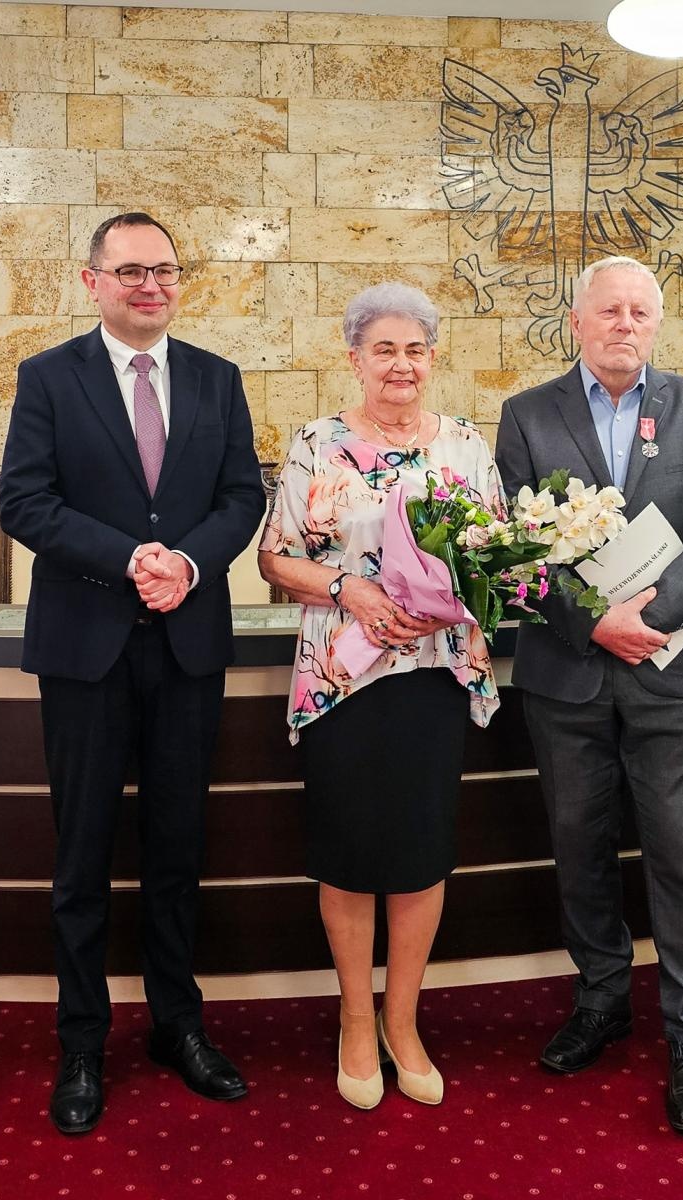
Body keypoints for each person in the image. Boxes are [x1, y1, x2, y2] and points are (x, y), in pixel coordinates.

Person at [0, 212, 266, 1135]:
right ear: (92, 282)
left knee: (177, 846)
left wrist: (186, 565)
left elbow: (243, 497)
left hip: (187, 641)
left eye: (164, 271)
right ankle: (80, 1042)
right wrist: (134, 559)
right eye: (129, 271)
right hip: (85, 643)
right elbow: (24, 501)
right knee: (80, 853)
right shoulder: (48, 378)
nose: (149, 285)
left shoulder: (216, 379)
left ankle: (176, 1026)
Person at [494, 256, 683, 1135]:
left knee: (682, 853)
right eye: (609, 311)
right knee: (579, 844)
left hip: (672, 669)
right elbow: (511, 546)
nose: (624, 325)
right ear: (576, 320)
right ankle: (601, 999)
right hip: (567, 673)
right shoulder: (526, 415)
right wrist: (591, 622)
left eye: (640, 312)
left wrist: (656, 610)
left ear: (658, 322)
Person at [258, 283, 502, 1110]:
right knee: (348, 853)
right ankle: (355, 1022)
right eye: (384, 350)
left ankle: (405, 1022)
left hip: (431, 678)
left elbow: (497, 557)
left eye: (416, 350)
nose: (401, 366)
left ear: (433, 358)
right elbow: (274, 558)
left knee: (421, 854)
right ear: (354, 357)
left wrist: (463, 590)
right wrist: (349, 591)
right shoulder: (316, 444)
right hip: (344, 679)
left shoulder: (466, 445)